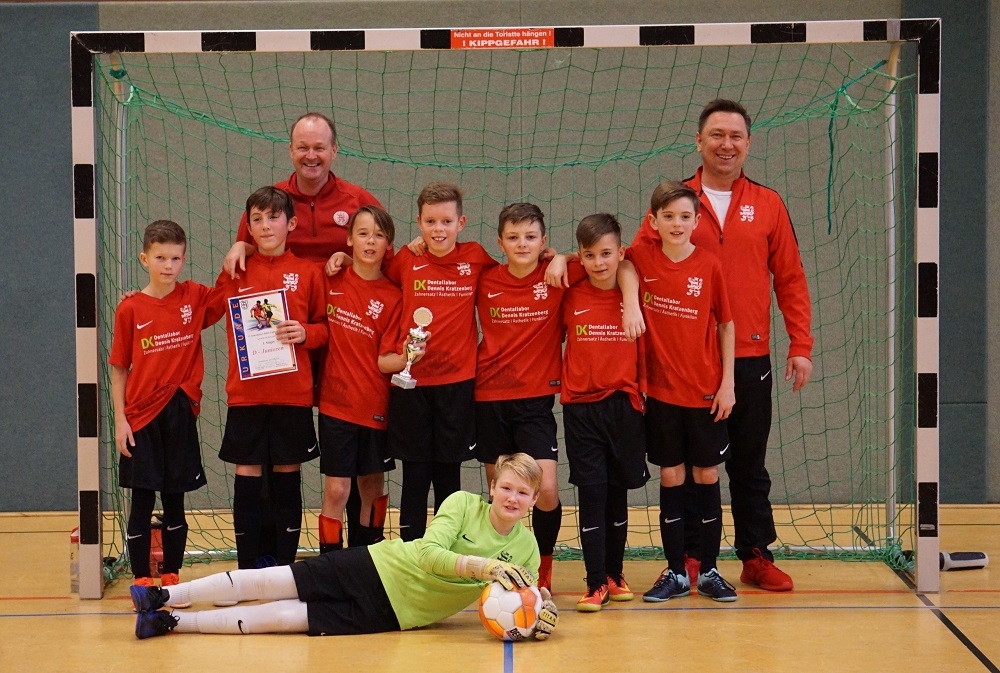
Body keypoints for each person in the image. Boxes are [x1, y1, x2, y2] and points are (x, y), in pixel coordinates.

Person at [633, 99, 813, 591]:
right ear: (699, 141)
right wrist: (560, 260)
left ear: (748, 144)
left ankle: (755, 555)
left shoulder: (769, 203)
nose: (726, 144)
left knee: (749, 464)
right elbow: (629, 261)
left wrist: (801, 343)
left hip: (750, 357)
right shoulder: (674, 202)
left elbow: (790, 277)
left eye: (736, 136)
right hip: (686, 364)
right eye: (716, 135)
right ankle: (691, 558)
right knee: (694, 467)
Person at [130, 453, 559, 642]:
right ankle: (163, 595)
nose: (512, 498)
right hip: (377, 565)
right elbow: (430, 554)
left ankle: (170, 622)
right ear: (492, 487)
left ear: (534, 499)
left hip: (397, 615)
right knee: (273, 582)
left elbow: (528, 595)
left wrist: (542, 612)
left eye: (523, 493)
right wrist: (483, 566)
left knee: (283, 619)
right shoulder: (463, 504)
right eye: (506, 487)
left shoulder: (525, 546)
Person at [223, 112, 390, 551]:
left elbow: (385, 256)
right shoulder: (274, 202)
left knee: (360, 464)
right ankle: (268, 556)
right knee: (275, 459)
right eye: (302, 147)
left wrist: (350, 260)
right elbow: (246, 256)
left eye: (319, 147)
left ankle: (363, 556)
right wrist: (238, 242)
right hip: (282, 352)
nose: (310, 155)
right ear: (291, 150)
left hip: (342, 340)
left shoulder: (359, 200)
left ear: (334, 151)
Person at [627, 181, 738, 603]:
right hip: (661, 393)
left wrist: (727, 383)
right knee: (671, 476)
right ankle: (675, 571)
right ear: (653, 221)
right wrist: (556, 259)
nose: (677, 223)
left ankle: (708, 570)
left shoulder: (709, 264)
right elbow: (609, 260)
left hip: (706, 391)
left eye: (685, 216)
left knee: (707, 475)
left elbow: (726, 325)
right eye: (668, 216)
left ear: (697, 221)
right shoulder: (642, 257)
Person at [214, 186, 328, 569]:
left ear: (291, 224)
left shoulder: (308, 272)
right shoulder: (236, 269)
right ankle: (248, 569)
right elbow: (204, 307)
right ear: (248, 227)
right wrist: (148, 297)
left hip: (292, 395)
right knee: (247, 474)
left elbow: (325, 328)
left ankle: (284, 569)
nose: (265, 226)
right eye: (257, 219)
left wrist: (306, 333)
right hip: (246, 395)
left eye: (273, 218)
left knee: (286, 474)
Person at [109, 220, 223, 601]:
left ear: (184, 259)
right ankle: (142, 579)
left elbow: (230, 291)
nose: (168, 265)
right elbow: (118, 368)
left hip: (178, 413)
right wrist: (120, 420)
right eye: (160, 258)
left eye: (175, 258)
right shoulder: (129, 308)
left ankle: (172, 575)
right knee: (142, 501)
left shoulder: (195, 296)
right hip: (141, 417)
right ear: (145, 259)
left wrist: (244, 247)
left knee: (176, 499)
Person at [380, 182, 498, 541]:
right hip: (411, 383)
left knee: (449, 474)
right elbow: (371, 275)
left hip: (456, 385)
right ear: (419, 222)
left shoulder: (476, 257)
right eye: (430, 221)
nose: (438, 229)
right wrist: (341, 258)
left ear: (461, 222)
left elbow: (515, 271)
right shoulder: (406, 259)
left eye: (446, 221)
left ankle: (445, 550)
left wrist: (556, 257)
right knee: (415, 475)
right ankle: (410, 551)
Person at [316, 205, 424, 552]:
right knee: (337, 489)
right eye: (363, 233)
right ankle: (330, 564)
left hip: (375, 406)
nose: (370, 241)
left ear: (388, 244)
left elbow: (384, 362)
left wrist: (409, 355)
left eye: (379, 235)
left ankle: (368, 559)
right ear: (349, 239)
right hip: (335, 406)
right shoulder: (330, 280)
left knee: (372, 487)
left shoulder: (394, 297)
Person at [561, 214, 650, 612]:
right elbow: (559, 260)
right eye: (590, 255)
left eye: (606, 254)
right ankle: (595, 581)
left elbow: (629, 269)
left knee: (617, 494)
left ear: (620, 253)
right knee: (592, 493)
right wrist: (560, 259)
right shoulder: (570, 291)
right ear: (581, 256)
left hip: (625, 407)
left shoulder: (634, 287)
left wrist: (630, 303)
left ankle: (615, 573)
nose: (599, 262)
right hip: (582, 408)